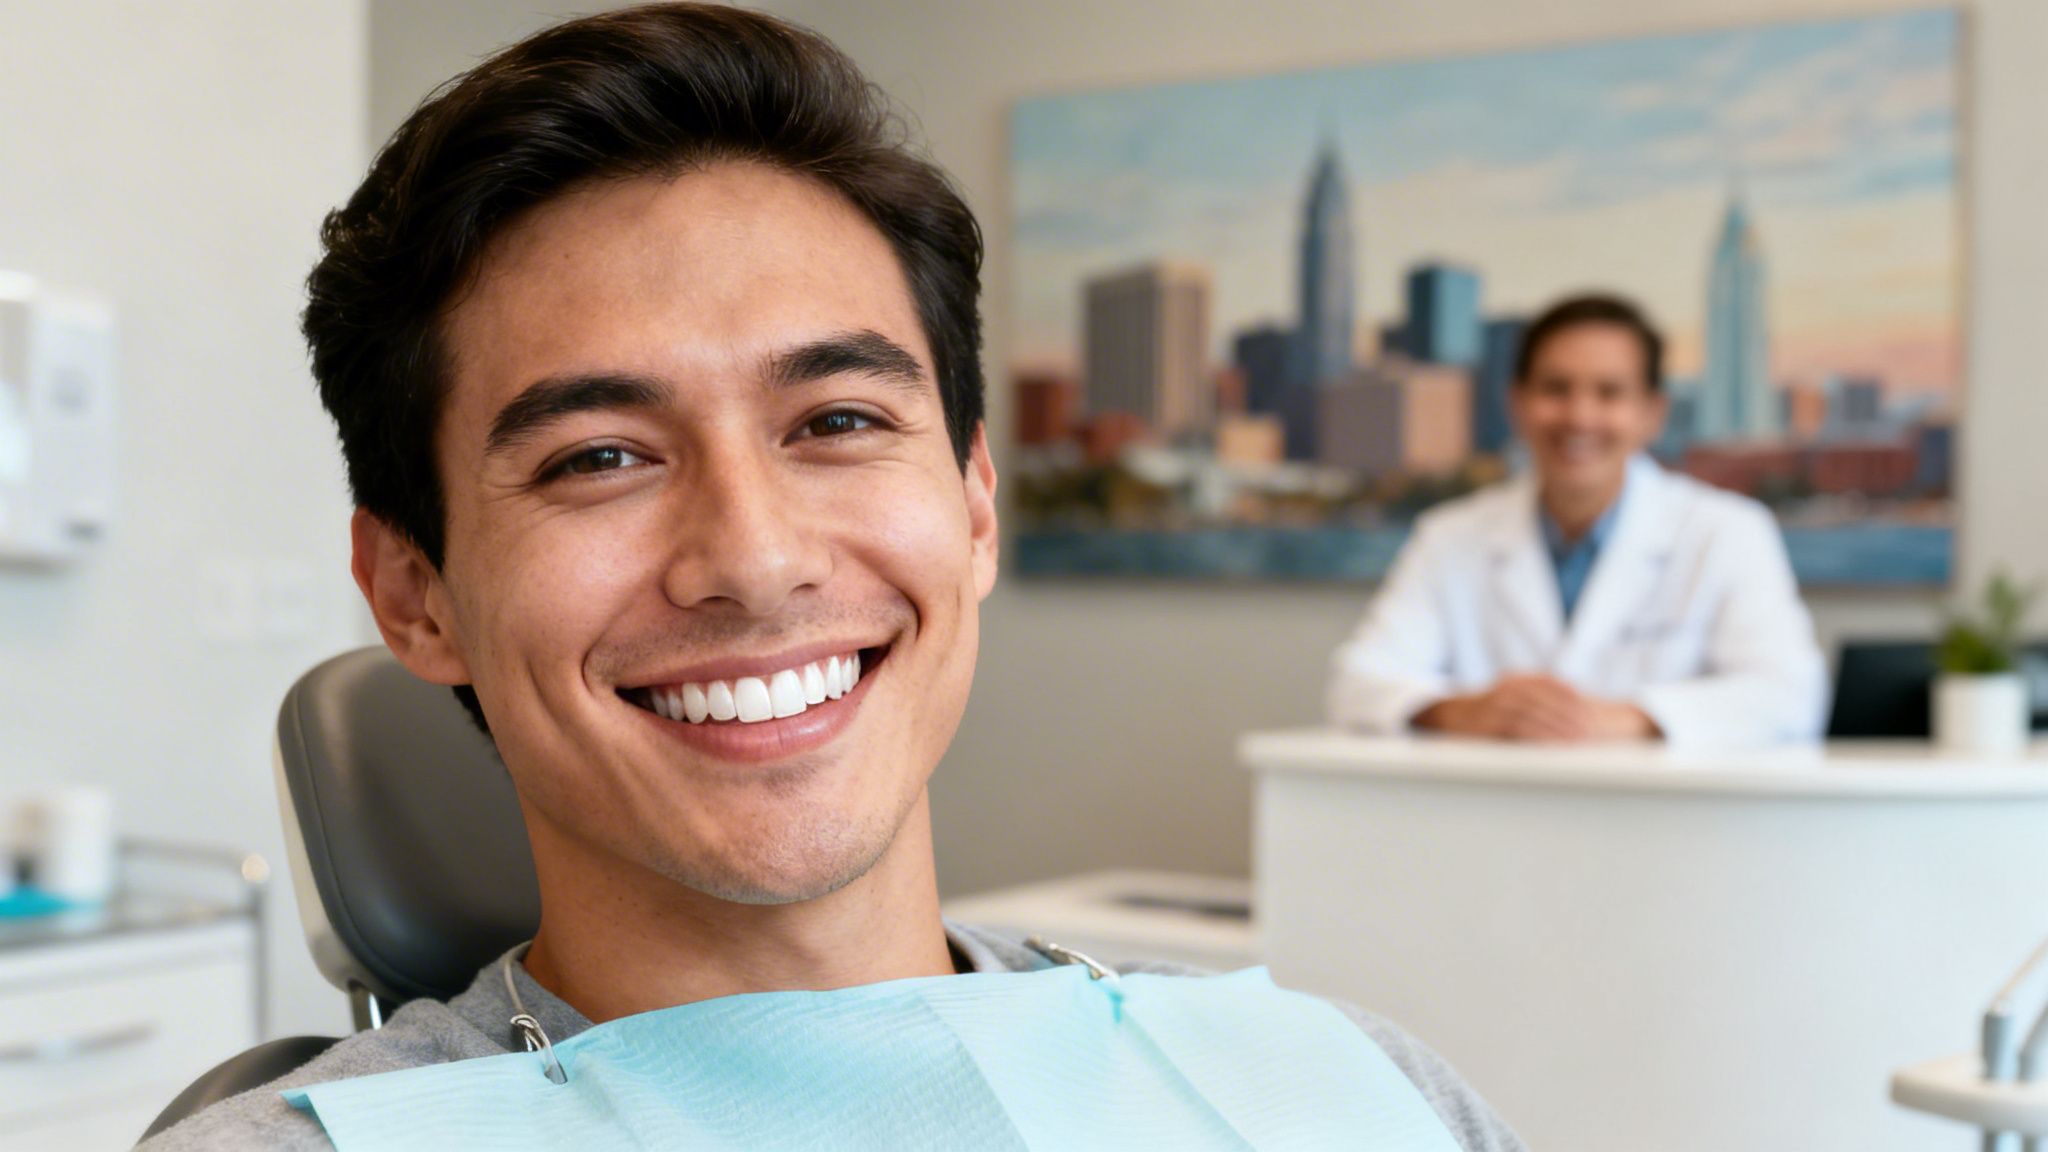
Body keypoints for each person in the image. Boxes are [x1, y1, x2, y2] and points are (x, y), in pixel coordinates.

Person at [141, 6, 1523, 1149]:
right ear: (411, 593)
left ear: (977, 505)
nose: (753, 558)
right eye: (600, 457)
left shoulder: (1351, 1091)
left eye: (839, 423)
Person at [1328, 294, 1827, 748]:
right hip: (1491, 825)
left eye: (1609, 392)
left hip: (1668, 830)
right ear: (1517, 403)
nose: (1579, 416)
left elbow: (1788, 697)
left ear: (1651, 412)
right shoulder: (1448, 536)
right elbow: (1357, 683)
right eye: (1555, 389)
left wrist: (1629, 719)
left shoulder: (1727, 531)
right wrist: (1464, 711)